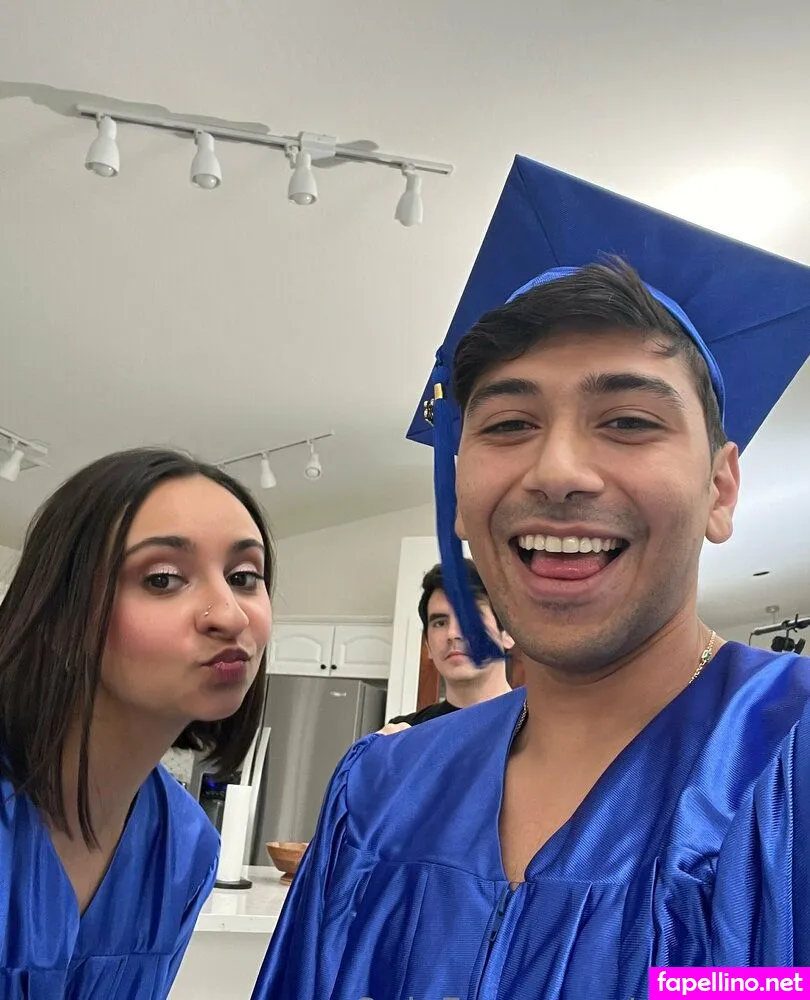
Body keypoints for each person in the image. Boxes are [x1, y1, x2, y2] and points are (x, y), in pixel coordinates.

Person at [251, 157, 810, 999]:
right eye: (509, 424)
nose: (557, 471)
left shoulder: (786, 761)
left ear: (721, 490)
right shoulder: (380, 790)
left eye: (629, 421)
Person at [0, 447, 274, 998]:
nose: (230, 614)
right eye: (163, 579)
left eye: (244, 576)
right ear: (62, 609)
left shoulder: (184, 848)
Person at [383, 559, 513, 730]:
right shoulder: (405, 734)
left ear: (508, 633)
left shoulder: (538, 728)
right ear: (428, 645)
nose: (452, 634)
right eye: (440, 623)